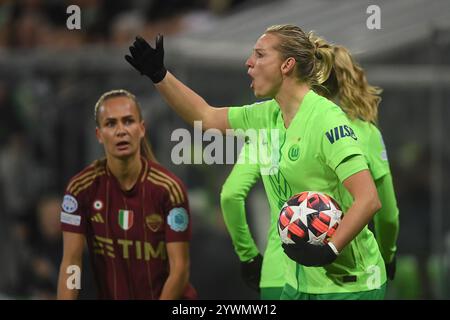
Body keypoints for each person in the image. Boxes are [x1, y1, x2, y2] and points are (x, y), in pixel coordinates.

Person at [125, 24, 385, 299]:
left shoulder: (326, 120)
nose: (249, 63)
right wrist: (160, 76)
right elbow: (206, 117)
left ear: (287, 65)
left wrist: (330, 249)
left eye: (260, 55)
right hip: (299, 283)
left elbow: (368, 200)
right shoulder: (265, 115)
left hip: (351, 284)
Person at [219, 33, 400, 299]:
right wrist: (387, 254)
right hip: (344, 276)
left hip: (279, 273)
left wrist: (248, 256)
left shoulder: (268, 128)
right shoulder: (363, 132)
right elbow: (387, 212)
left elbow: (230, 194)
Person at [57, 89, 197, 300]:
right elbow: (72, 264)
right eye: (111, 124)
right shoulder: (80, 189)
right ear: (99, 135)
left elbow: (180, 270)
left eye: (128, 121)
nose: (121, 130)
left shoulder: (168, 190)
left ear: (142, 129)